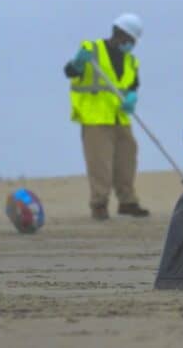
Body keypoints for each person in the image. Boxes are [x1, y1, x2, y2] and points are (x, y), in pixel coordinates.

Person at [64, 13, 150, 220]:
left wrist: (131, 97)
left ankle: (127, 201)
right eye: (130, 40)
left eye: (134, 41)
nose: (131, 45)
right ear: (119, 33)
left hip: (121, 117)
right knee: (100, 164)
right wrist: (77, 63)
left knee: (127, 159)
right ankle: (99, 204)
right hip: (95, 118)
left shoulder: (131, 61)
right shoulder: (91, 50)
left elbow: (133, 85)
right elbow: (70, 71)